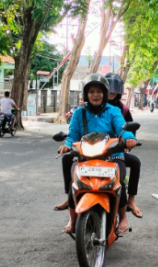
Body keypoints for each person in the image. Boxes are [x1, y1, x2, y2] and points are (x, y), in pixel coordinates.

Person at [55, 74, 137, 234]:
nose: (95, 94)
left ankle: (123, 216)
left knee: (119, 181)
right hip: (85, 156)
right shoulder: (79, 113)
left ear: (105, 93)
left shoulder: (113, 111)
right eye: (91, 91)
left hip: (112, 155)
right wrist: (66, 145)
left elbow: (122, 127)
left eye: (99, 91)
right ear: (86, 94)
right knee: (75, 185)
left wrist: (129, 138)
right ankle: (72, 219)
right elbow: (72, 135)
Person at [104, 73, 142, 218]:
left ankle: (130, 200)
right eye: (109, 87)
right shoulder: (93, 107)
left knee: (134, 163)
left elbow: (131, 131)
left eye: (115, 88)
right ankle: (71, 196)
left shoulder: (123, 110)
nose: (112, 91)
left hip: (115, 150)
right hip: (94, 149)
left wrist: (128, 143)